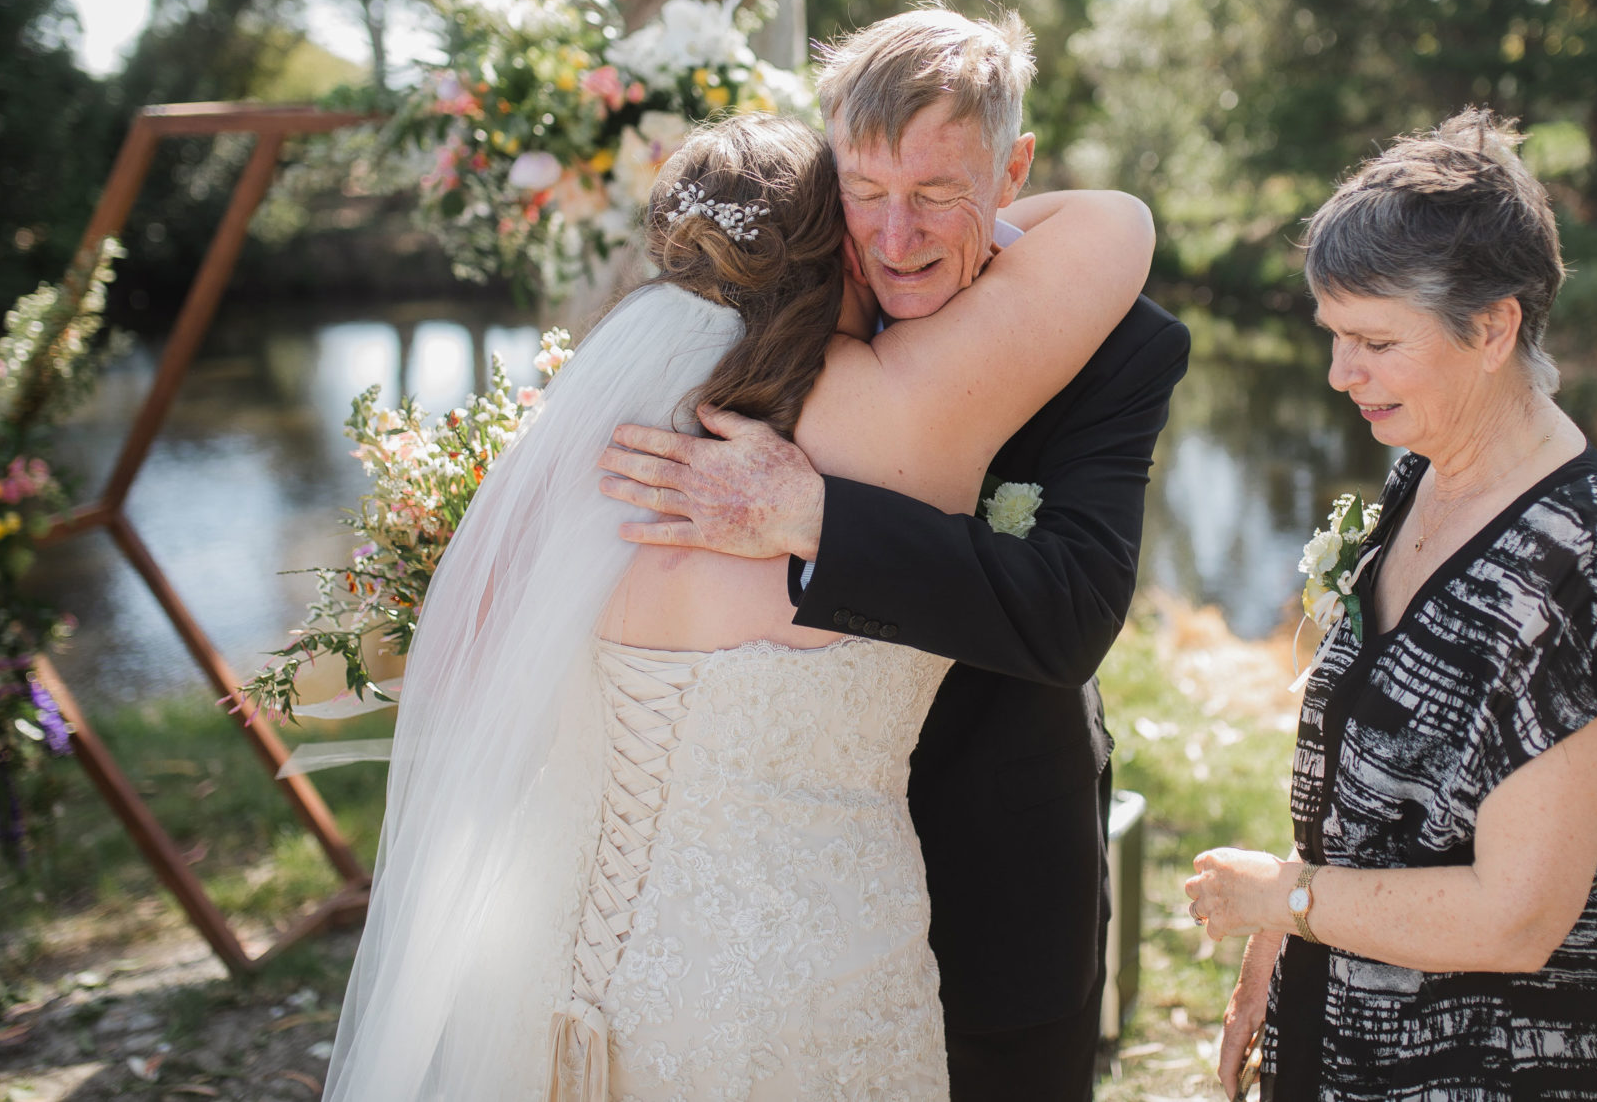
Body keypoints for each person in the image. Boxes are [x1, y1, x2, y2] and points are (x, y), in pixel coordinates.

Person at [321, 109, 1155, 1101]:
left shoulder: (595, 433)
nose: (899, 230)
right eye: (865, 198)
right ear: (836, 234)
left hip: (574, 968)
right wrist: (960, 197)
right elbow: (1112, 225)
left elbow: (456, 661)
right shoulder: (899, 410)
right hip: (798, 976)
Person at [597, 5, 1193, 1101]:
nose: (894, 237)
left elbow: (1068, 614)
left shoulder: (1119, 346)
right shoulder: (767, 315)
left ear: (1013, 170)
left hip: (998, 845)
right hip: (778, 871)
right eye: (864, 192)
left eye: (935, 195)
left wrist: (817, 518)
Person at [1184, 109, 1597, 1101]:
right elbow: (1378, 796)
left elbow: (1516, 917)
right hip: (1352, 1034)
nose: (1338, 374)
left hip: (1494, 1064)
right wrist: (1281, 945)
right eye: (1331, 336)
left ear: (1492, 327)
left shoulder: (1577, 560)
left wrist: (1281, 897)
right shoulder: (1424, 471)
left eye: (1373, 340)